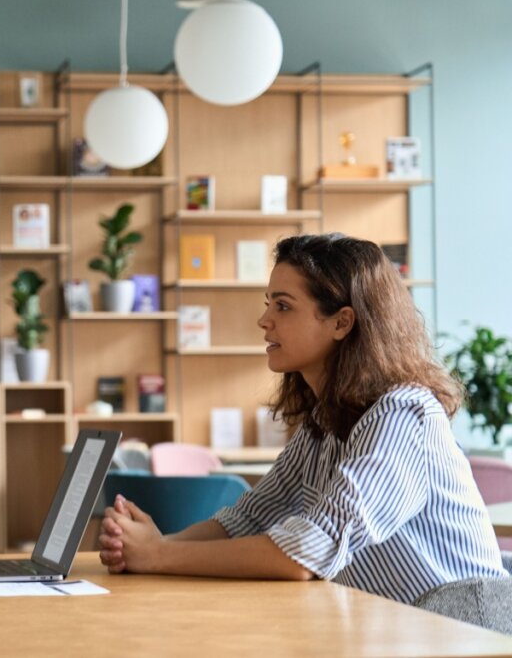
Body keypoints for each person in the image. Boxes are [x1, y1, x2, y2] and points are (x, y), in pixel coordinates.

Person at [99, 233, 508, 604]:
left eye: (283, 306)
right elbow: (247, 520)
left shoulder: (404, 415)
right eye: (269, 304)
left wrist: (159, 555)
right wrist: (152, 545)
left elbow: (307, 553)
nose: (264, 320)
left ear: (341, 322)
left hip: (464, 634)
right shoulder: (324, 422)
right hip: (395, 633)